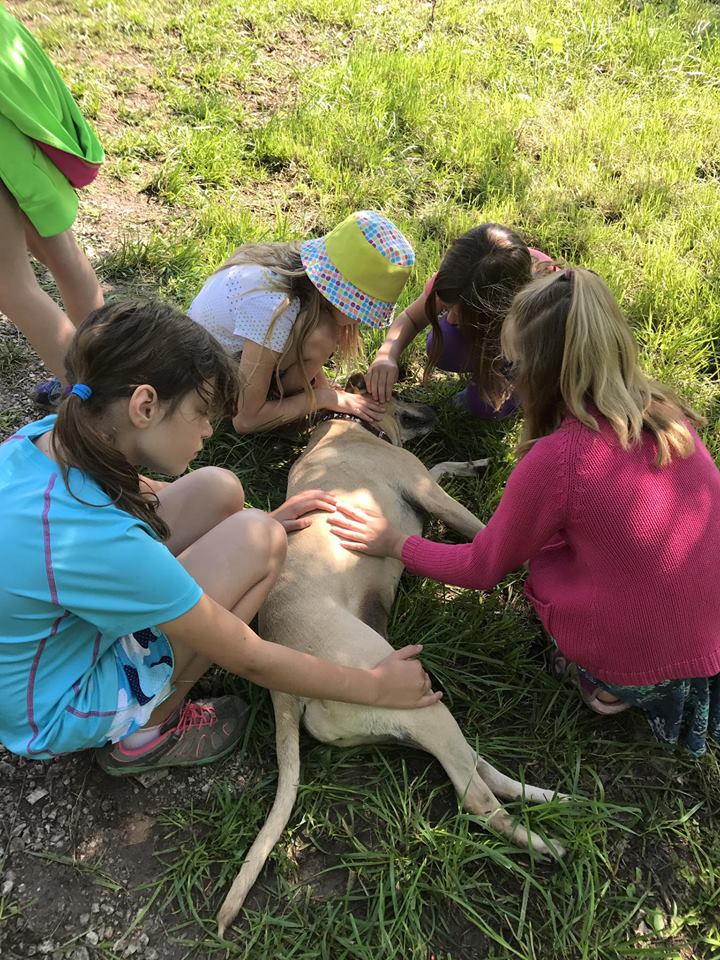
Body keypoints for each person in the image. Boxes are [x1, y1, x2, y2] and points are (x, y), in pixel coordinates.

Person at [0, 301, 441, 775]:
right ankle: (149, 732)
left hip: (39, 655)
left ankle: (180, 604)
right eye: (199, 413)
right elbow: (249, 657)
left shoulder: (52, 434)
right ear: (145, 406)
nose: (209, 431)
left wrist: (260, 516)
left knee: (220, 489)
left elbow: (139, 493)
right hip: (57, 709)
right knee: (261, 540)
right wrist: (376, 685)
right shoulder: (106, 544)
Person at [330, 267, 720, 756]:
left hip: (638, 657)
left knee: (547, 574)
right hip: (708, 640)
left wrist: (395, 543)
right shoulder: (666, 413)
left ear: (541, 374)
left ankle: (605, 686)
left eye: (510, 367)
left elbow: (483, 567)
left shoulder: (560, 459)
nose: (504, 377)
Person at [188, 210, 415, 433]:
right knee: (323, 336)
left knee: (323, 331)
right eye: (360, 310)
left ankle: (287, 397)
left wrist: (324, 389)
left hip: (226, 361)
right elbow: (246, 420)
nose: (359, 320)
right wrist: (322, 398)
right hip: (204, 383)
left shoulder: (295, 276)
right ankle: (281, 402)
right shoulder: (273, 308)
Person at [0, 6, 105, 397]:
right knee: (63, 255)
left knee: (11, 285)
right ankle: (108, 373)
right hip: (16, 129)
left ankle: (103, 411)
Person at [365, 223, 557, 418]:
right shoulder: (459, 280)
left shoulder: (541, 310)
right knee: (444, 344)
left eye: (464, 315)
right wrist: (387, 354)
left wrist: (514, 379)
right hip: (495, 330)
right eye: (448, 308)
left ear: (499, 308)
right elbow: (411, 318)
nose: (450, 319)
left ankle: (506, 373)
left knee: (487, 406)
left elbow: (551, 370)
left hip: (526, 353)